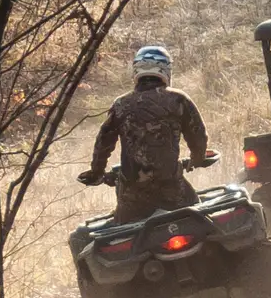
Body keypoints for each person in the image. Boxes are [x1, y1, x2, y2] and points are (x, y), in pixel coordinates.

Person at [80, 45, 218, 220]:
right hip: (172, 190)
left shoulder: (120, 104)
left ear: (136, 71)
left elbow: (103, 143)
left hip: (132, 198)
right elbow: (198, 136)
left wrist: (97, 173)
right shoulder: (179, 99)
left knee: (121, 231)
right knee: (201, 221)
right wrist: (197, 159)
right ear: (166, 70)